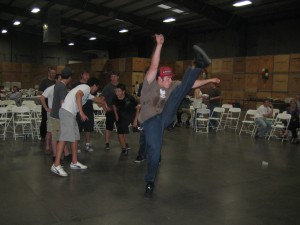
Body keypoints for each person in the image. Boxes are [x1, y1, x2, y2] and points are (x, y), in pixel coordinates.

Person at [139, 34, 219, 198]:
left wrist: (209, 79)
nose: (169, 81)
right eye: (166, 78)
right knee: (154, 151)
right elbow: (154, 67)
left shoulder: (172, 85)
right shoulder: (149, 85)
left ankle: (199, 65)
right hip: (151, 121)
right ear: (159, 79)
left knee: (179, 92)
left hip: (166, 116)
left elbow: (190, 84)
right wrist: (159, 45)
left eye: (170, 77)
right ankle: (150, 181)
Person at [51, 77, 106, 177]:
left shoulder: (87, 93)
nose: (95, 90)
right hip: (67, 112)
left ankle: (74, 162)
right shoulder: (85, 87)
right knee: (64, 138)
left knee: (75, 138)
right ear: (94, 86)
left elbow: (96, 99)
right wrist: (81, 112)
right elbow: (78, 95)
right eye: (96, 88)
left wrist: (104, 103)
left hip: (71, 114)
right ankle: (56, 164)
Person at [40, 74, 71, 159]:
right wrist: (46, 108)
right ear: (56, 80)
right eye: (60, 79)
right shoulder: (51, 88)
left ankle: (65, 153)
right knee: (51, 132)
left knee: (60, 134)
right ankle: (47, 147)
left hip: (60, 114)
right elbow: (42, 97)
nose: (62, 81)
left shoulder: (62, 88)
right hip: (52, 113)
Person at [101, 72, 130, 151]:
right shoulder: (107, 87)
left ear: (118, 77)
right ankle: (107, 143)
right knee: (108, 127)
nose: (113, 78)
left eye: (114, 76)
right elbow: (102, 99)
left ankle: (125, 143)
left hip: (120, 111)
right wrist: (105, 108)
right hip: (110, 111)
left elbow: (125, 98)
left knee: (122, 127)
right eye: (112, 76)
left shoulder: (121, 86)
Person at [49, 68, 73, 162]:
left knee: (61, 136)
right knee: (56, 137)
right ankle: (55, 157)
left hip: (55, 114)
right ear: (69, 77)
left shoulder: (57, 84)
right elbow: (63, 103)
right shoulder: (62, 87)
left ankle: (66, 154)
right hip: (58, 116)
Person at [112, 83, 139, 156]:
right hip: (122, 116)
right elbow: (114, 105)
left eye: (119, 91)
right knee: (120, 132)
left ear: (123, 91)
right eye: (116, 91)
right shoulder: (115, 98)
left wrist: (135, 120)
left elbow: (138, 107)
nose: (117, 93)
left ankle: (145, 148)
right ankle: (124, 149)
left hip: (133, 115)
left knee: (143, 131)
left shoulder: (130, 98)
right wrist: (116, 114)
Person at [72, 70, 94, 152]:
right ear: (81, 75)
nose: (87, 76)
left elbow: (93, 97)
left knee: (88, 128)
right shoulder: (76, 85)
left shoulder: (90, 85)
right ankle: (76, 145)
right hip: (79, 110)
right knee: (78, 129)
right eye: (85, 74)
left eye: (88, 74)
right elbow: (74, 96)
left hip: (89, 109)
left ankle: (87, 144)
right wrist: (80, 111)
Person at [38, 67, 56, 139]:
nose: (53, 74)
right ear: (48, 73)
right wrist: (47, 94)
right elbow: (39, 91)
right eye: (52, 73)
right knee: (45, 119)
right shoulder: (44, 81)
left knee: (54, 119)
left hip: (54, 103)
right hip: (45, 102)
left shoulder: (56, 82)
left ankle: (52, 134)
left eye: (54, 73)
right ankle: (43, 135)